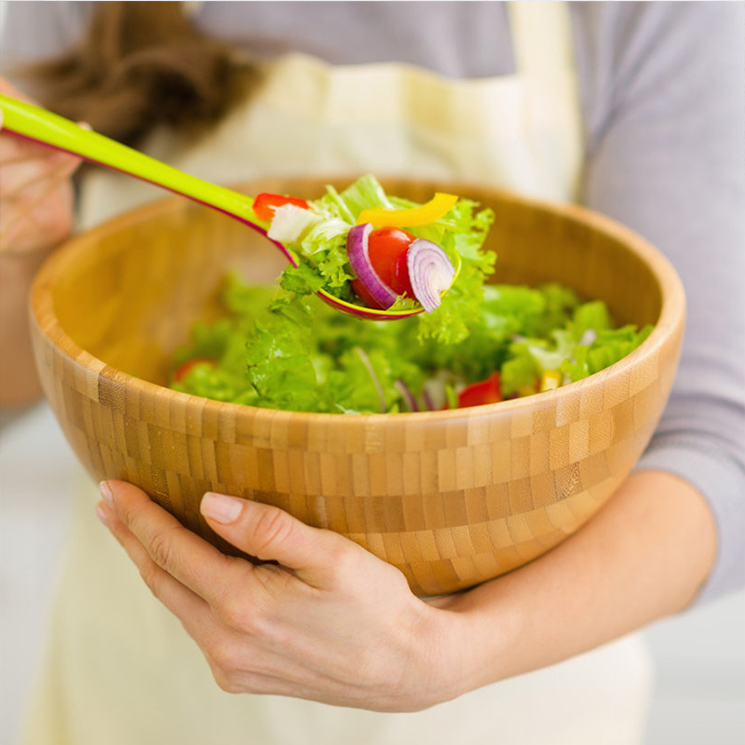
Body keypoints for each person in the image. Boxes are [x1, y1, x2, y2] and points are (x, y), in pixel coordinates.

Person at [1, 2, 743, 743]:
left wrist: (454, 649)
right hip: (145, 694)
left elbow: (719, 443)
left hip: (505, 702)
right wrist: (12, 248)